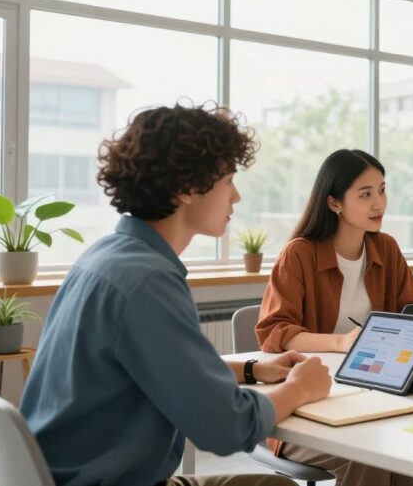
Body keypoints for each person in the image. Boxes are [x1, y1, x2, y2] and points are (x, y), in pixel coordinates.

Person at [20, 103, 332, 486]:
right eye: (228, 179)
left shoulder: (106, 257)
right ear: (187, 188)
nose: (236, 197)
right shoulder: (147, 280)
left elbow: (151, 368)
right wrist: (299, 388)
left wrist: (252, 369)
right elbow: (224, 427)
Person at [256, 148, 413, 486]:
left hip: (370, 393)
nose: (379, 203)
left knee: (410, 451)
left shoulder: (386, 248)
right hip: (304, 405)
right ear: (334, 203)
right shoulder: (300, 253)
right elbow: (275, 331)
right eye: (365, 194)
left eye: (382, 189)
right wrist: (342, 342)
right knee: (373, 452)